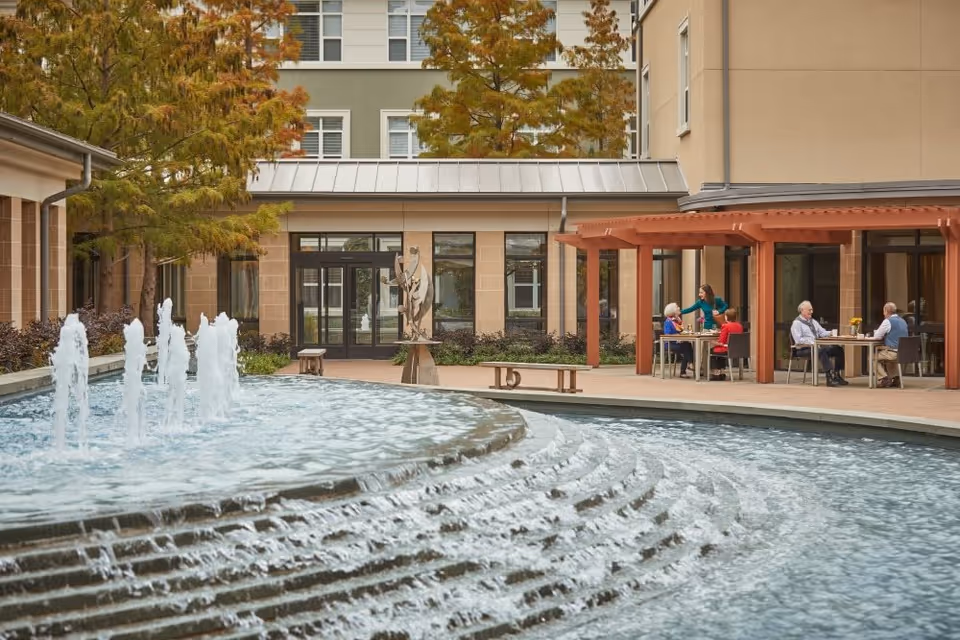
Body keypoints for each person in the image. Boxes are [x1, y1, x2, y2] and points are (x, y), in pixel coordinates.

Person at [791, 300, 847, 387]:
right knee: (822, 351)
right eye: (809, 310)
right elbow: (798, 340)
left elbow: (821, 332)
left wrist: (831, 333)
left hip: (817, 347)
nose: (811, 312)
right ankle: (829, 377)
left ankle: (837, 375)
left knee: (838, 349)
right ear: (802, 310)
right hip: (803, 349)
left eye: (812, 310)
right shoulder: (796, 323)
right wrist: (813, 342)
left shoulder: (813, 321)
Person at [874, 301, 909, 388]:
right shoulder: (903, 321)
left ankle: (884, 378)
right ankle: (895, 378)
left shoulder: (887, 321)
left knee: (872, 357)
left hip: (893, 352)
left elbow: (877, 336)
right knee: (887, 355)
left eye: (883, 311)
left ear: (886, 311)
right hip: (903, 352)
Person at [709, 308, 744, 380]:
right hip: (737, 349)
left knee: (712, 350)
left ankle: (716, 372)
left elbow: (721, 342)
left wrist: (713, 342)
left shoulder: (725, 326)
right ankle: (722, 371)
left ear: (727, 317)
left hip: (727, 349)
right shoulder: (740, 326)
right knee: (719, 351)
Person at [662, 303, 694, 378]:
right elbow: (667, 335)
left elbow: (681, 331)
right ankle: (689, 365)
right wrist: (678, 336)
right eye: (677, 307)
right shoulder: (668, 321)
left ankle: (688, 366)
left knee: (688, 345)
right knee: (687, 347)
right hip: (670, 344)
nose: (679, 308)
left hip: (678, 342)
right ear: (672, 310)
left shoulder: (677, 320)